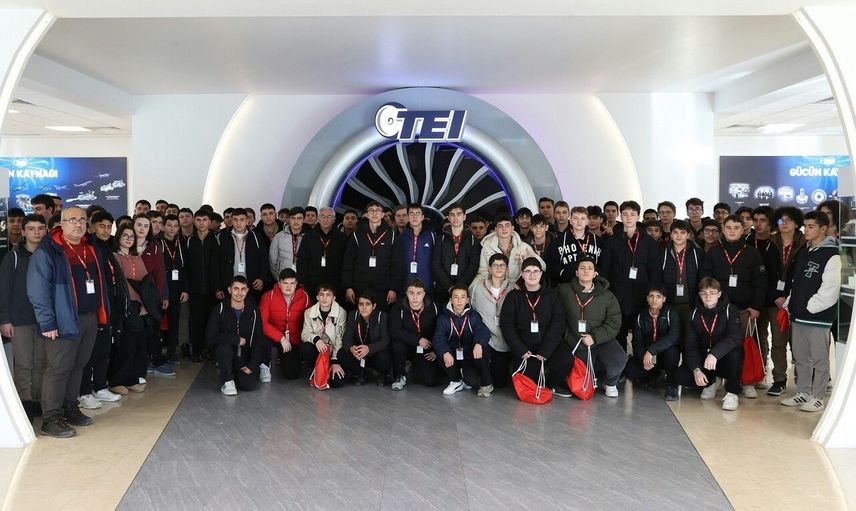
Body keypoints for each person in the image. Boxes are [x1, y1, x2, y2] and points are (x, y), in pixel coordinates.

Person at [27, 206, 110, 437]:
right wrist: (48, 322)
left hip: (89, 317)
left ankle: (69, 407)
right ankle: (51, 418)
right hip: (62, 320)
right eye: (72, 220)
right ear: (61, 224)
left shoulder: (90, 248)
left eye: (82, 220)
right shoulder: (48, 251)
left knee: (78, 366)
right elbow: (37, 291)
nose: (78, 224)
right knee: (58, 368)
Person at [780, 211, 841, 412]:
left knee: (819, 359)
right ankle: (803, 392)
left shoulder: (832, 254)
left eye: (811, 226)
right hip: (798, 315)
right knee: (800, 357)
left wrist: (809, 307)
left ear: (823, 228)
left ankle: (818, 397)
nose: (806, 230)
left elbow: (830, 289)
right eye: (805, 226)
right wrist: (791, 303)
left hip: (817, 317)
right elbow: (797, 283)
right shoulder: (805, 250)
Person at [701, 214, 766, 398]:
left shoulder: (752, 253)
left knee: (744, 346)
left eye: (736, 228)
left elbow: (760, 282)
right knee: (718, 345)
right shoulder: (714, 252)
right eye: (728, 227)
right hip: (719, 310)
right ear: (723, 230)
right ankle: (716, 379)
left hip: (745, 309)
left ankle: (746, 382)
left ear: (743, 230)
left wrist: (756, 306)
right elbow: (705, 280)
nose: (732, 231)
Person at [557, 258, 627, 398]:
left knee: (619, 358)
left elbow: (613, 322)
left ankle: (610, 383)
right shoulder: (564, 290)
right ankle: (591, 380)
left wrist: (594, 337)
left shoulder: (607, 295)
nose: (586, 271)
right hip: (575, 340)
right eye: (582, 268)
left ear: (595, 273)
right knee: (580, 378)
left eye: (590, 268)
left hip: (600, 339)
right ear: (576, 272)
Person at [0, 214, 48, 420]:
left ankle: (38, 401)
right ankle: (25, 402)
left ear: (45, 230)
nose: (36, 232)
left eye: (40, 228)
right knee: (23, 363)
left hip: (45, 319)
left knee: (41, 362)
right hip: (20, 319)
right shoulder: (13, 257)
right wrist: (4, 319)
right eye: (31, 228)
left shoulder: (49, 255)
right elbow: (4, 289)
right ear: (23, 231)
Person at [500, 257, 569, 395]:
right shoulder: (513, 296)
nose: (532, 275)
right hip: (525, 347)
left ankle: (553, 384)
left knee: (566, 360)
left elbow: (558, 323)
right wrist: (520, 349)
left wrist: (546, 350)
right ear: (522, 274)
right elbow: (507, 325)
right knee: (530, 383)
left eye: (536, 271)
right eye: (528, 271)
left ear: (541, 273)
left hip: (548, 344)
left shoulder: (552, 295)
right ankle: (540, 383)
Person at [673, 278, 743, 411]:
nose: (708, 296)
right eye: (704, 293)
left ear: (719, 294)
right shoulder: (693, 314)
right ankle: (712, 381)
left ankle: (732, 392)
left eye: (712, 293)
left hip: (722, 357)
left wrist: (714, 354)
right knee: (680, 377)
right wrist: (696, 370)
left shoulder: (731, 310)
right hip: (703, 358)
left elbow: (735, 338)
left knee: (736, 353)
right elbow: (690, 345)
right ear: (699, 295)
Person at [600, 200, 660, 351]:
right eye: (625, 214)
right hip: (618, 294)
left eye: (632, 214)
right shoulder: (612, 241)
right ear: (620, 216)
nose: (628, 217)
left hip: (642, 293)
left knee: (640, 333)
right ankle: (621, 363)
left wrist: (652, 293)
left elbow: (654, 270)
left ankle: (639, 362)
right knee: (619, 332)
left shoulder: (648, 241)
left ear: (638, 216)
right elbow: (606, 268)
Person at [79, 211, 123, 408]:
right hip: (93, 305)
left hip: (109, 303)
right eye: (101, 226)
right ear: (92, 226)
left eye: (109, 227)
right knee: (89, 351)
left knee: (104, 349)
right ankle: (84, 392)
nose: (106, 230)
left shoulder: (108, 247)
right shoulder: (88, 247)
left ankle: (100, 386)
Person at [108, 225, 153, 396]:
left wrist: (145, 305)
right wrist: (131, 304)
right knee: (125, 345)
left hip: (140, 306)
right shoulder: (115, 257)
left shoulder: (137, 257)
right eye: (125, 235)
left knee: (138, 344)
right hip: (125, 306)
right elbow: (121, 284)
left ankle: (133, 378)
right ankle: (117, 380)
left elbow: (145, 283)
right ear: (118, 237)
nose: (128, 239)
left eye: (131, 236)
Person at [766, 207, 806, 396]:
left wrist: (791, 298)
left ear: (797, 223)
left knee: (799, 343)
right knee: (778, 342)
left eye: (789, 220)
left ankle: (802, 380)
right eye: (781, 220)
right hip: (776, 301)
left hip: (798, 300)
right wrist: (776, 297)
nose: (784, 223)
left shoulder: (805, 244)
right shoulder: (770, 244)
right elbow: (764, 274)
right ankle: (779, 379)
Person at [206, 276, 264, 395]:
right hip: (226, 354)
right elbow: (210, 337)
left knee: (248, 385)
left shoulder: (253, 310)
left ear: (247, 290)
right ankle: (227, 380)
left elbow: (258, 339)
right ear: (229, 290)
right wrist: (236, 339)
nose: (239, 293)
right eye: (236, 288)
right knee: (224, 347)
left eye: (243, 289)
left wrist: (252, 364)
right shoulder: (219, 309)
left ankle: (236, 376)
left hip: (244, 355)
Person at [433, 285, 493, 396]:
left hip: (469, 355)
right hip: (453, 355)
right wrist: (445, 352)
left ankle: (486, 383)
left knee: (472, 380)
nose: (459, 301)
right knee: (441, 352)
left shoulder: (474, 316)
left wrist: (478, 343)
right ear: (451, 300)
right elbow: (438, 338)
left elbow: (483, 331)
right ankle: (456, 381)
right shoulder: (443, 318)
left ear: (467, 300)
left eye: (462, 297)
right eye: (456, 297)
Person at [341, 202, 403, 309]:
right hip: (360, 288)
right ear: (367, 214)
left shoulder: (391, 235)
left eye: (377, 210)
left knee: (381, 317)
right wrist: (348, 287)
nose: (374, 213)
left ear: (382, 214)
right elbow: (348, 263)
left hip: (383, 289)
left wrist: (394, 288)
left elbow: (397, 265)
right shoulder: (357, 235)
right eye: (371, 210)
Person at [132, 214, 171, 376]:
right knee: (135, 331)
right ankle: (139, 361)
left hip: (150, 294)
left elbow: (160, 273)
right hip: (132, 294)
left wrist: (163, 296)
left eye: (146, 226)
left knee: (152, 328)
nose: (142, 229)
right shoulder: (126, 244)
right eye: (139, 225)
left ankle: (156, 360)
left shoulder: (154, 247)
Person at [389, 279, 444, 390]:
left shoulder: (435, 307)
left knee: (431, 381)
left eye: (418, 293)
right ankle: (400, 375)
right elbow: (395, 331)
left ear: (424, 294)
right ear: (406, 293)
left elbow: (441, 331)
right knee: (397, 346)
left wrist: (436, 350)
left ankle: (415, 367)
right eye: (411, 293)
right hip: (407, 346)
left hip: (427, 348)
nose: (415, 297)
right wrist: (418, 340)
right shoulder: (398, 308)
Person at [628, 285, 680, 400]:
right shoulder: (640, 316)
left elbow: (673, 336)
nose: (654, 300)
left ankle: (671, 384)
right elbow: (636, 341)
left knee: (673, 351)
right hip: (647, 356)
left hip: (663, 354)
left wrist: (652, 350)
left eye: (658, 296)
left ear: (664, 299)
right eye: (651, 296)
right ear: (647, 298)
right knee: (631, 371)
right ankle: (654, 374)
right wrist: (643, 357)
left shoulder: (671, 313)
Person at [259, 269, 312, 381]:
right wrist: (281, 338)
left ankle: (295, 359)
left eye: (292, 283)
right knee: (261, 338)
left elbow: (309, 323)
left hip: (293, 338)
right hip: (273, 336)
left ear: (296, 284)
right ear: (279, 283)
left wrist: (299, 341)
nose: (289, 286)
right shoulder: (268, 296)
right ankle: (264, 364)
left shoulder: (305, 297)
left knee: (292, 374)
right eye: (285, 283)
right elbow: (262, 323)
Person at [469, 254, 514, 387]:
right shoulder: (477, 288)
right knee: (477, 377)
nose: (499, 268)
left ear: (507, 269)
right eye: (495, 265)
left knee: (499, 383)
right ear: (489, 269)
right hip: (485, 337)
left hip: (504, 339)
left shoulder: (514, 288)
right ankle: (484, 381)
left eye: (502, 265)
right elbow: (471, 310)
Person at [185, 209, 219, 363]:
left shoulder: (217, 239)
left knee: (213, 322)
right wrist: (187, 288)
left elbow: (221, 265)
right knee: (196, 321)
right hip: (195, 290)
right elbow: (186, 267)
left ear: (209, 222)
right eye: (198, 220)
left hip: (213, 290)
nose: (201, 223)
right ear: (194, 221)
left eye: (204, 220)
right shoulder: (189, 241)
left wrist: (218, 287)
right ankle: (197, 351)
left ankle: (211, 351)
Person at [339, 290, 392, 385]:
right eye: (361, 304)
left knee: (384, 356)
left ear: (374, 306)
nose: (364, 308)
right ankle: (362, 373)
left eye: (367, 304)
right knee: (341, 353)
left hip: (374, 353)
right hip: (359, 354)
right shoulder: (353, 315)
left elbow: (385, 340)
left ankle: (382, 375)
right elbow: (346, 337)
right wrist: (351, 348)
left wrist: (369, 349)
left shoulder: (382, 316)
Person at [433, 203, 481, 306]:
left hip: (463, 290)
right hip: (443, 289)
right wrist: (449, 286)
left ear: (464, 216)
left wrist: (459, 287)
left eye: (459, 214)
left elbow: (473, 265)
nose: (455, 217)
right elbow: (436, 263)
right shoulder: (441, 238)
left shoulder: (472, 239)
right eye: (452, 215)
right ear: (448, 218)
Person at [216, 207, 269, 299]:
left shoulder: (256, 237)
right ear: (232, 220)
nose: (238, 223)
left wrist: (261, 278)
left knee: (250, 306)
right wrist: (217, 287)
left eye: (242, 219)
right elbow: (215, 263)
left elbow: (263, 260)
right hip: (228, 285)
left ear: (247, 221)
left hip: (251, 284)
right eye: (235, 220)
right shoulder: (221, 237)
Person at [301, 283, 348, 388]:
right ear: (317, 297)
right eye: (322, 294)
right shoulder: (309, 312)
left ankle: (327, 369)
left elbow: (340, 338)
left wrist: (335, 361)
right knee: (306, 347)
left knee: (337, 383)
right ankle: (316, 370)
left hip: (333, 351)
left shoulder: (341, 313)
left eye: (328, 295)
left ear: (334, 298)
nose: (324, 298)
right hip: (319, 349)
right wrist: (317, 340)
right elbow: (305, 334)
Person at [476, 213, 543, 283]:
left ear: (512, 228)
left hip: (518, 287)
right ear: (496, 229)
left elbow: (542, 267)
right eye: (500, 226)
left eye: (507, 225)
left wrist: (531, 259)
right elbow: (482, 273)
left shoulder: (523, 247)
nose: (504, 229)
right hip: (495, 286)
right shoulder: (487, 248)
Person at [297, 206, 347, 298]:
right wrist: (302, 281)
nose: (325, 219)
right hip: (312, 284)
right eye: (322, 216)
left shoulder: (342, 238)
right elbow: (302, 260)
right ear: (318, 219)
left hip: (335, 284)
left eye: (329, 217)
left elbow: (346, 262)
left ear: (333, 219)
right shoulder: (309, 237)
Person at [547, 205, 603, 285]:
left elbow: (604, 264)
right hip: (567, 285)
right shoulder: (558, 242)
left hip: (592, 286)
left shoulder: (598, 242)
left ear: (587, 221)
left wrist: (597, 274)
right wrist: (563, 273)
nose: (579, 222)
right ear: (570, 220)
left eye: (582, 218)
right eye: (575, 218)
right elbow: (551, 265)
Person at [161, 214, 189, 365]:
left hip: (177, 288)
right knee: (157, 321)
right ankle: (155, 352)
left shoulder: (181, 242)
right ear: (163, 226)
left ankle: (172, 352)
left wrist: (185, 289)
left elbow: (186, 268)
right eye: (169, 225)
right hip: (161, 288)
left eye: (175, 226)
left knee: (174, 321)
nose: (172, 229)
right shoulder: (158, 242)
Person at [658, 219, 702, 319]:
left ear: (688, 235)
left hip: (691, 303)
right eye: (675, 232)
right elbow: (659, 277)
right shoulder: (663, 253)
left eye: (682, 232)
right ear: (671, 234)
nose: (679, 236)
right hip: (669, 303)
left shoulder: (697, 253)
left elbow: (701, 276)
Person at [393, 203, 436, 295]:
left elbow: (436, 260)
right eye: (411, 213)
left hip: (427, 284)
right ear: (408, 217)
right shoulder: (400, 238)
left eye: (418, 213)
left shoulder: (432, 236)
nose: (414, 216)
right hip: (405, 284)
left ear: (422, 217)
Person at [269, 207, 306, 277]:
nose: (296, 221)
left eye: (299, 218)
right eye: (293, 218)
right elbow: (272, 260)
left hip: (303, 278)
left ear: (303, 219)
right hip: (283, 278)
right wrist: (278, 277)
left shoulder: (308, 237)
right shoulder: (279, 237)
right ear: (289, 219)